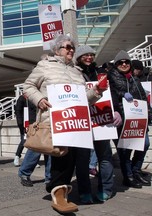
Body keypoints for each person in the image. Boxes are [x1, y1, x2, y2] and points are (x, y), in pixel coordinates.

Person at [23, 34, 107, 214]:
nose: (71, 50)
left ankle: (61, 190)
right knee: (62, 158)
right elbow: (28, 86)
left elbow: (84, 98)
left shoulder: (77, 71)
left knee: (74, 159)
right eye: (67, 47)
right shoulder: (45, 66)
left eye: (72, 48)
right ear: (57, 49)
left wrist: (97, 91)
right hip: (55, 121)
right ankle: (59, 196)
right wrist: (39, 99)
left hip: (75, 122)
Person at [74, 45, 121, 203]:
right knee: (82, 159)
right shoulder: (73, 72)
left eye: (91, 55)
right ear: (79, 57)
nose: (88, 58)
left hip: (101, 119)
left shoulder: (101, 72)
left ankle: (105, 189)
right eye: (85, 55)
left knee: (105, 156)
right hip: (82, 120)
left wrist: (116, 110)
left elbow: (111, 91)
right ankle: (84, 192)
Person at [108, 50, 152, 188]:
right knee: (125, 151)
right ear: (116, 65)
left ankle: (136, 170)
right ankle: (128, 176)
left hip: (137, 119)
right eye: (120, 62)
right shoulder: (111, 78)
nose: (124, 64)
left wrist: (149, 114)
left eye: (126, 61)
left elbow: (143, 98)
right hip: (122, 119)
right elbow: (111, 94)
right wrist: (122, 95)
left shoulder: (134, 78)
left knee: (144, 144)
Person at [14, 93, 36, 166]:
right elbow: (18, 111)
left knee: (33, 142)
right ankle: (17, 156)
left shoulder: (33, 98)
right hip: (24, 124)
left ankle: (32, 161)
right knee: (24, 140)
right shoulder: (22, 99)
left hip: (33, 123)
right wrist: (20, 123)